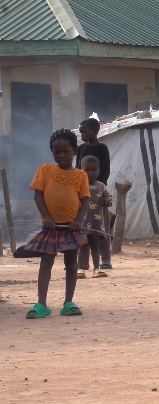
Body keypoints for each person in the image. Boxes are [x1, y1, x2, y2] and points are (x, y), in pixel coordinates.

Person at [22, 129, 89, 319]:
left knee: (71, 263)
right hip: (51, 228)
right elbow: (38, 195)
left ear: (75, 151)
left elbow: (84, 200)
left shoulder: (81, 175)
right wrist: (47, 217)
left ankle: (69, 303)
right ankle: (41, 304)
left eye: (65, 151)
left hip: (71, 228)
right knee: (45, 262)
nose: (61, 155)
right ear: (52, 151)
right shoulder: (45, 170)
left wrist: (78, 221)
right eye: (56, 151)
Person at [77, 118, 114, 270]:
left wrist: (99, 191)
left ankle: (105, 259)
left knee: (102, 228)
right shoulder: (81, 149)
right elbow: (77, 169)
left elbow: (105, 171)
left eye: (84, 132)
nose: (82, 135)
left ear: (95, 131)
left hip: (98, 195)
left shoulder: (102, 148)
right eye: (81, 132)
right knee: (83, 230)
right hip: (83, 194)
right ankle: (83, 263)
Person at [77, 155, 112, 279]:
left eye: (93, 170)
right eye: (87, 170)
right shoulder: (78, 185)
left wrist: (105, 201)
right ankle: (80, 269)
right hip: (82, 223)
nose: (90, 173)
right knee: (83, 245)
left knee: (95, 246)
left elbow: (109, 199)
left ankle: (96, 269)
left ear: (99, 171)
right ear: (81, 171)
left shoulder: (101, 186)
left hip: (97, 223)